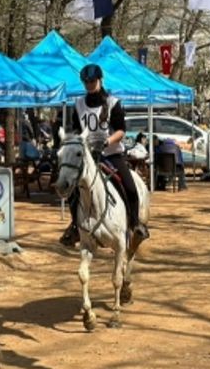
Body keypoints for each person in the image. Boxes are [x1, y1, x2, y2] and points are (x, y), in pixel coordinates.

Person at [60, 64, 149, 245]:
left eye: (92, 81)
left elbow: (122, 131)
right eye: (86, 82)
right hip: (88, 156)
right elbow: (77, 131)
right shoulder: (78, 104)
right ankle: (76, 226)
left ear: (100, 80)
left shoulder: (112, 103)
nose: (89, 85)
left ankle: (135, 224)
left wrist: (107, 141)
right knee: (73, 189)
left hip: (112, 154)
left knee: (130, 187)